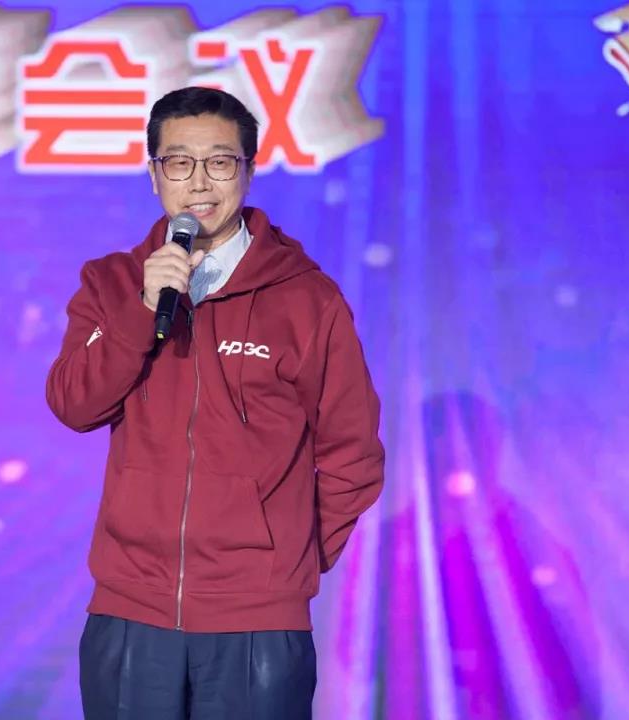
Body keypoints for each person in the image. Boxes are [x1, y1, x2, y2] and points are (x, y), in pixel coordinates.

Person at [46, 86, 385, 719]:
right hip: (131, 610)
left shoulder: (307, 300)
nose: (199, 181)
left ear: (248, 172)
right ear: (154, 175)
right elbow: (74, 404)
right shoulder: (111, 283)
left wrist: (286, 558)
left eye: (220, 162)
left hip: (258, 621)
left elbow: (353, 454)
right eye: (179, 162)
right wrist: (140, 310)